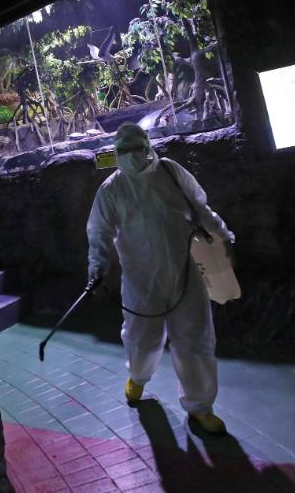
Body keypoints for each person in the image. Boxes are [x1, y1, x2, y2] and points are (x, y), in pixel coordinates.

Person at [86, 122, 234, 434]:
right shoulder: (112, 189)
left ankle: (200, 407)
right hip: (141, 281)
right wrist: (97, 267)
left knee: (195, 341)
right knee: (141, 340)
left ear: (148, 146)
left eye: (134, 149)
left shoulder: (170, 172)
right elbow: (99, 232)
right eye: (121, 151)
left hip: (185, 274)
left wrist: (223, 235)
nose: (128, 156)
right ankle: (137, 377)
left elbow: (200, 207)